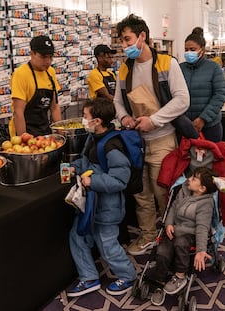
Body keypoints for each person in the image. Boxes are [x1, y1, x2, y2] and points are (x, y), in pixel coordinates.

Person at [113, 14, 190, 256]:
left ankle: (172, 240)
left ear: (142, 36)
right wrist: (124, 117)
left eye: (127, 39)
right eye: (121, 41)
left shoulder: (168, 63)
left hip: (163, 140)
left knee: (163, 193)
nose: (124, 46)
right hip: (136, 143)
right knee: (141, 194)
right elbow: (118, 102)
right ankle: (147, 235)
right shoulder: (125, 69)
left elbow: (182, 100)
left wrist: (154, 120)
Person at [67, 98, 137, 297]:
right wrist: (75, 167)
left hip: (108, 207)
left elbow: (120, 179)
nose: (83, 119)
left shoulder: (112, 146)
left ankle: (128, 275)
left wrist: (94, 181)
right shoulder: (93, 138)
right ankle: (88, 277)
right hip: (90, 204)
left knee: (107, 244)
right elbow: (87, 161)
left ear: (97, 121)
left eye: (85, 116)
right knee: (77, 236)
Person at [148, 167, 217, 306]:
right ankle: (160, 282)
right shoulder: (184, 189)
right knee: (162, 252)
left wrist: (201, 250)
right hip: (175, 229)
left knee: (180, 243)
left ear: (202, 188)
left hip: (190, 233)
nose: (189, 179)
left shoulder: (206, 203)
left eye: (194, 178)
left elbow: (202, 228)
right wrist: (168, 224)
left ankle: (180, 275)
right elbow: (173, 208)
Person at [180, 27, 225, 142]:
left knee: (211, 157)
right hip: (186, 125)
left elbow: (220, 95)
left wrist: (203, 118)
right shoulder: (179, 68)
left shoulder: (213, 68)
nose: (189, 53)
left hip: (210, 126)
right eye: (186, 50)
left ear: (202, 50)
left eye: (192, 49)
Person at [9, 35, 61, 137]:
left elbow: (54, 107)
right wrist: (23, 141)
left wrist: (61, 133)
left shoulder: (51, 72)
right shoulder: (21, 74)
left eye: (50, 57)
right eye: (43, 57)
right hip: (24, 131)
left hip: (44, 130)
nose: (48, 61)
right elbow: (18, 112)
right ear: (32, 54)